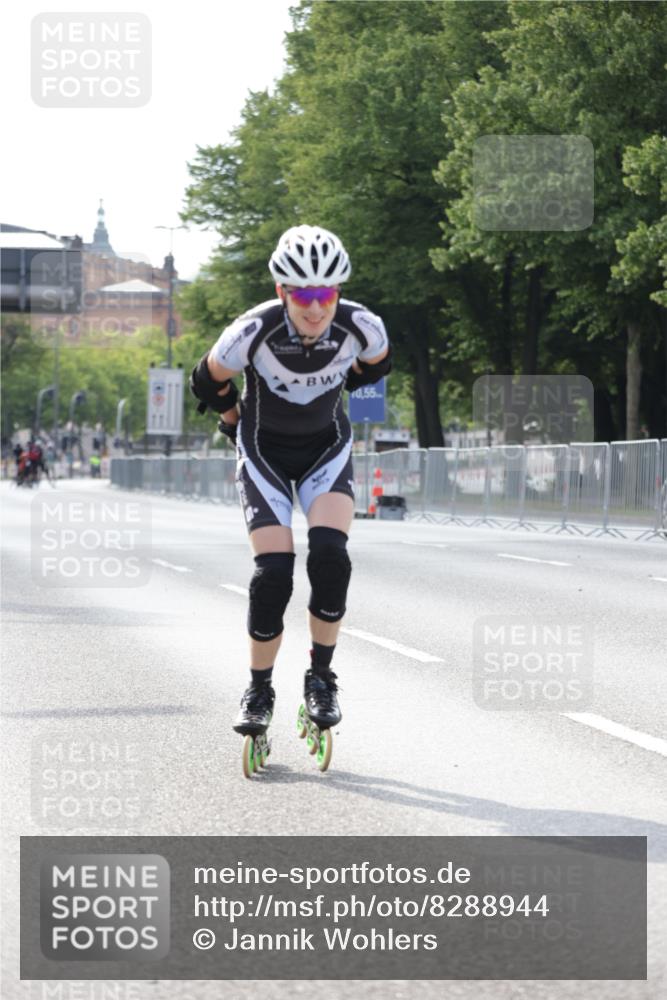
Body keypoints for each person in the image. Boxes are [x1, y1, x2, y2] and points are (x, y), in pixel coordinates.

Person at [189, 225, 392, 744]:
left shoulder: (362, 327)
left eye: (326, 294)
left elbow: (378, 364)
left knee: (329, 557)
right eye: (303, 295)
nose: (316, 308)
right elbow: (206, 378)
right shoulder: (252, 330)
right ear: (282, 292)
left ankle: (321, 680)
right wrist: (233, 417)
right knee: (274, 574)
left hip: (326, 448)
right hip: (265, 455)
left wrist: (345, 383)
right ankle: (259, 690)